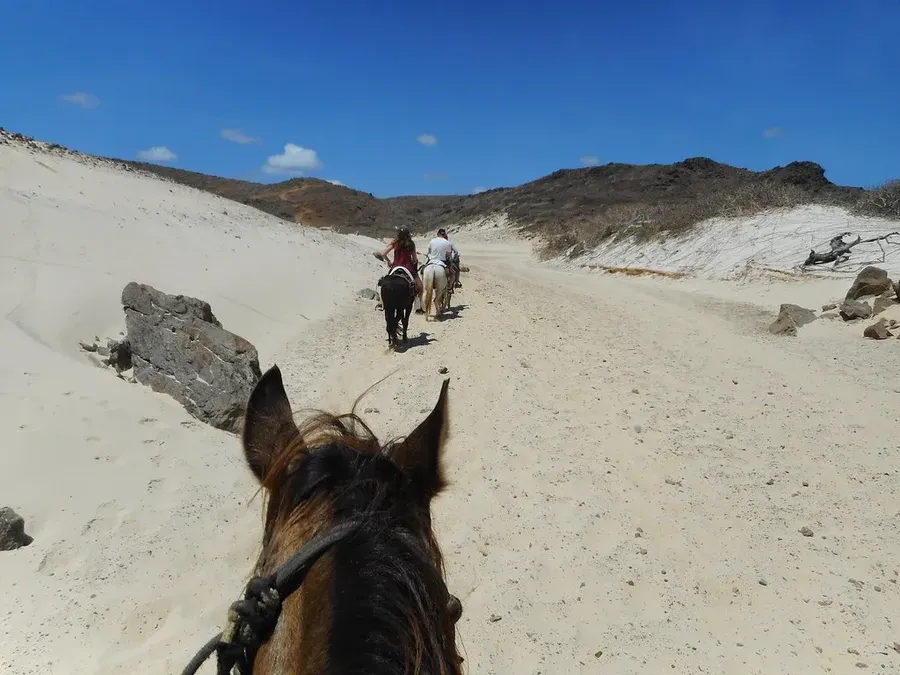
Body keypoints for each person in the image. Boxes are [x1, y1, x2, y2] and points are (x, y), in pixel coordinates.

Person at [378, 227, 424, 311]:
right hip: (408, 267)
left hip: (395, 267)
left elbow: (383, 253)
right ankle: (419, 305)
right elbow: (415, 259)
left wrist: (389, 261)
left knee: (384, 282)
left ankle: (382, 303)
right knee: (420, 286)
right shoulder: (411, 244)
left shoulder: (395, 243)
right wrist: (414, 263)